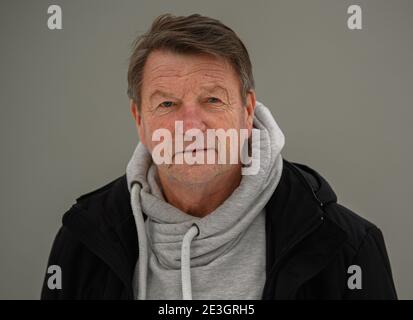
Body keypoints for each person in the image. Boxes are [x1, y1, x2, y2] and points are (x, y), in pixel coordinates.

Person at [41, 13, 397, 300]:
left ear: (247, 111)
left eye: (212, 99)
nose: (191, 126)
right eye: (167, 103)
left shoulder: (346, 247)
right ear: (140, 120)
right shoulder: (84, 243)